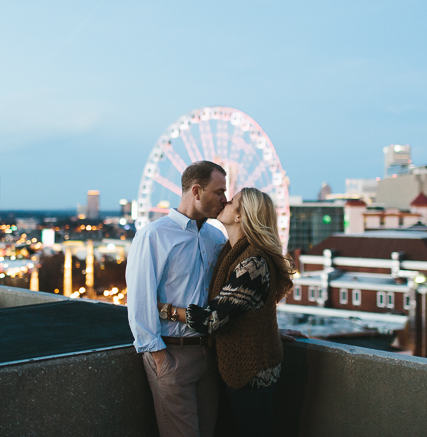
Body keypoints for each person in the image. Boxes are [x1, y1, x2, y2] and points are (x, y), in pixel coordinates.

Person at [157, 187, 299, 437]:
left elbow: (211, 319)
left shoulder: (253, 263)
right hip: (238, 370)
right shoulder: (231, 253)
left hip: (252, 376)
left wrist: (163, 310)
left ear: (240, 216)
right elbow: (248, 311)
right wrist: (271, 331)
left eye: (231, 200)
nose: (224, 200)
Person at [125, 160, 228, 437]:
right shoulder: (153, 236)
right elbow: (139, 300)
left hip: (210, 355)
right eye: (218, 192)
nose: (225, 199)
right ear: (196, 191)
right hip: (173, 354)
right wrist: (160, 359)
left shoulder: (215, 237)